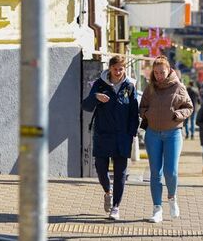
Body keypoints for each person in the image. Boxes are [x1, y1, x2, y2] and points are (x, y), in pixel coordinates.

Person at [81, 55, 139, 220]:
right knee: (100, 168)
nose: (119, 72)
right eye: (116, 69)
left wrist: (132, 132)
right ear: (110, 68)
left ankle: (116, 207)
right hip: (103, 134)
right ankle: (108, 191)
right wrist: (95, 97)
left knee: (120, 173)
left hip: (122, 136)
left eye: (121, 69)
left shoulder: (129, 86)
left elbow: (134, 112)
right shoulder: (100, 84)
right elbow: (85, 106)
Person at [139, 56, 193, 223]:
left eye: (162, 72)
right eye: (156, 73)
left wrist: (177, 115)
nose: (159, 76)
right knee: (155, 173)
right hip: (153, 134)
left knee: (171, 172)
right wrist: (147, 114)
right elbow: (142, 106)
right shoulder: (150, 88)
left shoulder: (179, 86)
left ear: (169, 70)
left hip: (173, 133)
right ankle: (157, 209)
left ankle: (172, 198)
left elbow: (189, 107)